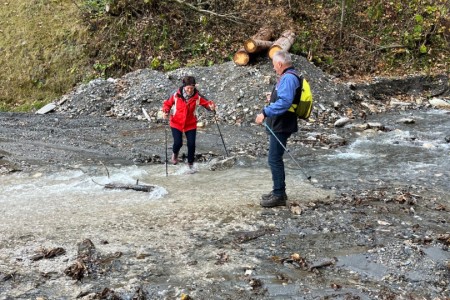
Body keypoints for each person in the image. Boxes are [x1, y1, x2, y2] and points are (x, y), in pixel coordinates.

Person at [255, 50, 301, 207]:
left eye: (274, 65)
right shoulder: (289, 75)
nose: (274, 68)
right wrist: (272, 98)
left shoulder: (288, 78)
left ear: (280, 64)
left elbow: (285, 103)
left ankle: (279, 194)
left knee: (274, 159)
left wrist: (264, 112)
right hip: (281, 123)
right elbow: (283, 98)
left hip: (282, 124)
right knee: (275, 158)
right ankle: (278, 190)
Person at [162, 76, 216, 168]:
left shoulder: (197, 96)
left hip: (190, 124)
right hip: (176, 122)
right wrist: (166, 112)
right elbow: (167, 103)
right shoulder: (176, 94)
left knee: (191, 144)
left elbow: (207, 103)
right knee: (178, 143)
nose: (190, 90)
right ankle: (175, 154)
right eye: (188, 88)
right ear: (184, 87)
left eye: (192, 88)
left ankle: (190, 164)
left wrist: (212, 107)